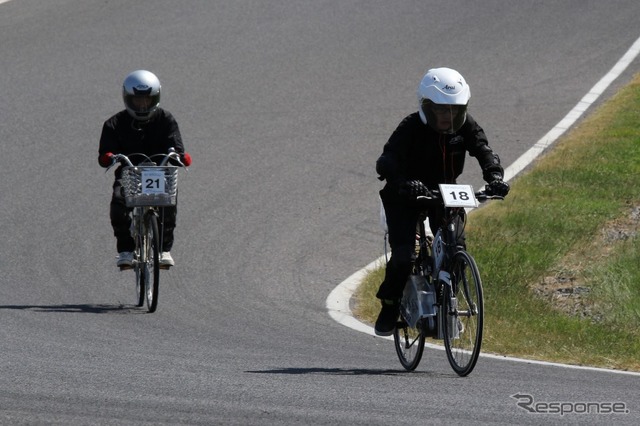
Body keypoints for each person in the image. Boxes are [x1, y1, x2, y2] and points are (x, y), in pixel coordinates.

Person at [374, 67, 509, 336]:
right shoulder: (410, 126)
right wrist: (403, 182)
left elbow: (484, 150)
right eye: (441, 110)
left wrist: (495, 177)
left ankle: (448, 305)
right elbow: (386, 160)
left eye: (455, 110)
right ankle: (389, 305)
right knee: (404, 256)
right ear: (426, 107)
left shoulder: (467, 125)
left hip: (445, 193)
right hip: (405, 194)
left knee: (455, 247)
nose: (448, 117)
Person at [98, 70, 191, 268]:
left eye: (147, 100)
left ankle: (164, 249)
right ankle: (125, 250)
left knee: (169, 204)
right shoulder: (114, 123)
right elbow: (104, 155)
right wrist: (108, 157)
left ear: (156, 98)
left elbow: (177, 147)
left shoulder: (166, 119)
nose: (142, 105)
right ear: (127, 98)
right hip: (129, 173)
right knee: (118, 205)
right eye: (137, 100)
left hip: (160, 172)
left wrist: (180, 157)